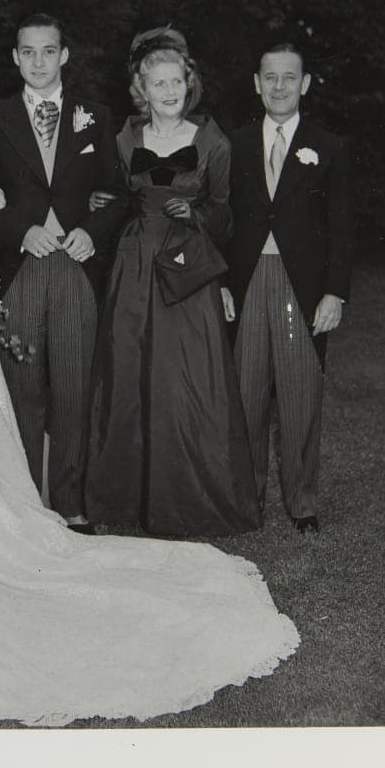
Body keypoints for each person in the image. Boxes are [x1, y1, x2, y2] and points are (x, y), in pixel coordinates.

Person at [0, 46, 299, 726]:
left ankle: (34, 507)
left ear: (63, 56)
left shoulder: (42, 127)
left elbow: (101, 191)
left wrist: (71, 229)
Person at [84, 26, 260, 536]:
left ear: (189, 84)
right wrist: (104, 202)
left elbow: (228, 216)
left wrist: (198, 212)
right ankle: (125, 502)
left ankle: (189, 501)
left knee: (185, 380)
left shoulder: (213, 141)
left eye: (175, 83)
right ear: (142, 88)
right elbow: (116, 195)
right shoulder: (124, 138)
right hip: (135, 266)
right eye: (156, 84)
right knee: (129, 373)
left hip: (186, 268)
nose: (167, 92)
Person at [0, 14, 127, 527]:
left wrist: (91, 231)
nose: (38, 61)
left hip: (76, 267)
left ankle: (72, 503)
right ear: (15, 57)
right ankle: (27, 501)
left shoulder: (95, 117)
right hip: (21, 270)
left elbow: (118, 196)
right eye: (28, 52)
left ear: (64, 56)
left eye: (48, 51)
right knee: (22, 387)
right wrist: (19, 230)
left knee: (76, 387)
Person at [221, 43, 353, 533]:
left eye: (289, 77)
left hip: (303, 285)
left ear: (305, 83)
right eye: (270, 77)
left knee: (300, 394)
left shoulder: (329, 146)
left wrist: (334, 293)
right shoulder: (232, 144)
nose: (279, 87)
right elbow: (218, 220)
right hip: (248, 278)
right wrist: (220, 283)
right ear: (256, 82)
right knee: (247, 391)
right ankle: (246, 499)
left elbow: (342, 228)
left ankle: (302, 502)